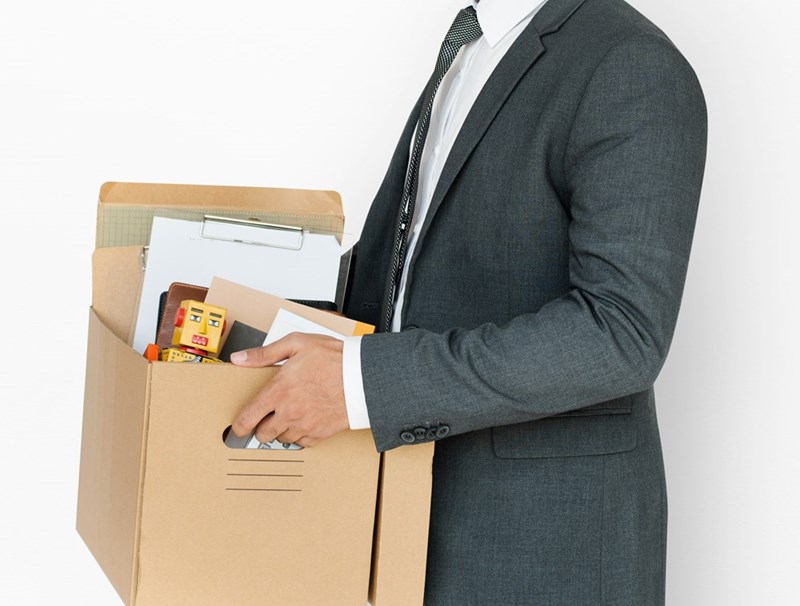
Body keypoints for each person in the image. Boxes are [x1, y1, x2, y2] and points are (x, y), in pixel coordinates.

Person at [230, 0, 708, 603]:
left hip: (543, 551)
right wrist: (222, 287)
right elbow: (407, 267)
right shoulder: (470, 44)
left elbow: (621, 334)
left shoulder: (630, 62)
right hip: (408, 515)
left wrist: (360, 385)